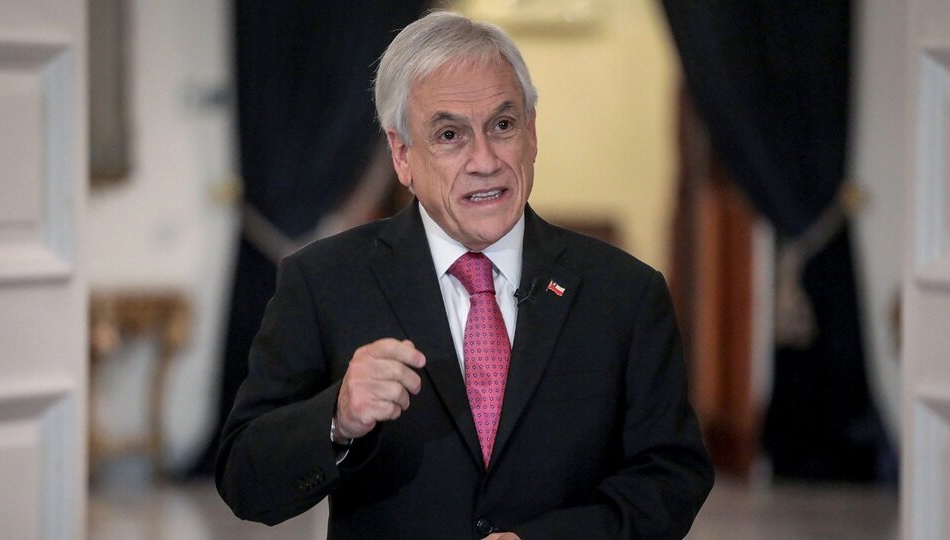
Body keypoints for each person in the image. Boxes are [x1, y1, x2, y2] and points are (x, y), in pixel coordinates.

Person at [216, 10, 713, 539]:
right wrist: (336, 418)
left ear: (532, 133)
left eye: (503, 126)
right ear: (402, 156)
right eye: (450, 134)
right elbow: (245, 479)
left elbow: (671, 477)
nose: (485, 160)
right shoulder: (324, 282)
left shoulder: (626, 294)